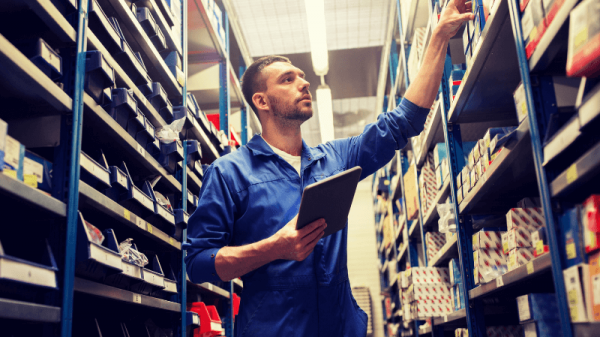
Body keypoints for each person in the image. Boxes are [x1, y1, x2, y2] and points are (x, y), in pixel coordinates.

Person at [185, 1, 473, 335]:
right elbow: (198, 264)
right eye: (288, 79)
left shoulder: (335, 159)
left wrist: (438, 36)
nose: (304, 83)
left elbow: (404, 121)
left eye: (303, 77)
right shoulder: (228, 173)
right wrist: (272, 248)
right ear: (262, 101)